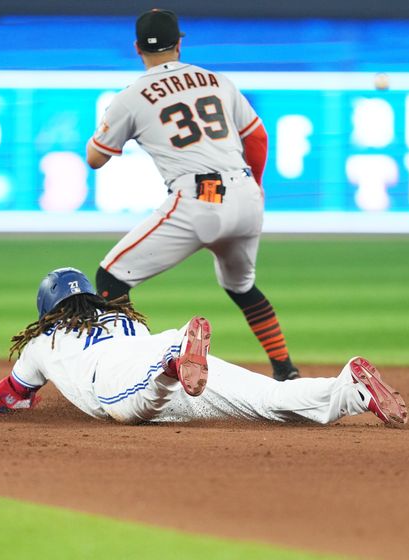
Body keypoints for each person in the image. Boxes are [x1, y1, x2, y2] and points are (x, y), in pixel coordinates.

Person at [86, 9, 300, 381]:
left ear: (137, 48)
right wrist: (257, 188)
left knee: (110, 279)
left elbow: (96, 158)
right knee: (243, 288)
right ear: (179, 43)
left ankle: (138, 370)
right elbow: (257, 137)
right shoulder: (217, 80)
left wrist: (109, 125)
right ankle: (286, 371)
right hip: (246, 196)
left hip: (200, 198)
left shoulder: (131, 96)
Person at [0, 268, 409, 428]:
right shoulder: (122, 315)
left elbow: (3, 397)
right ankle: (352, 390)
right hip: (163, 359)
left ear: (48, 310)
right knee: (269, 402)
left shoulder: (44, 340)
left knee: (130, 407)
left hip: (127, 373)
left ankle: (175, 357)